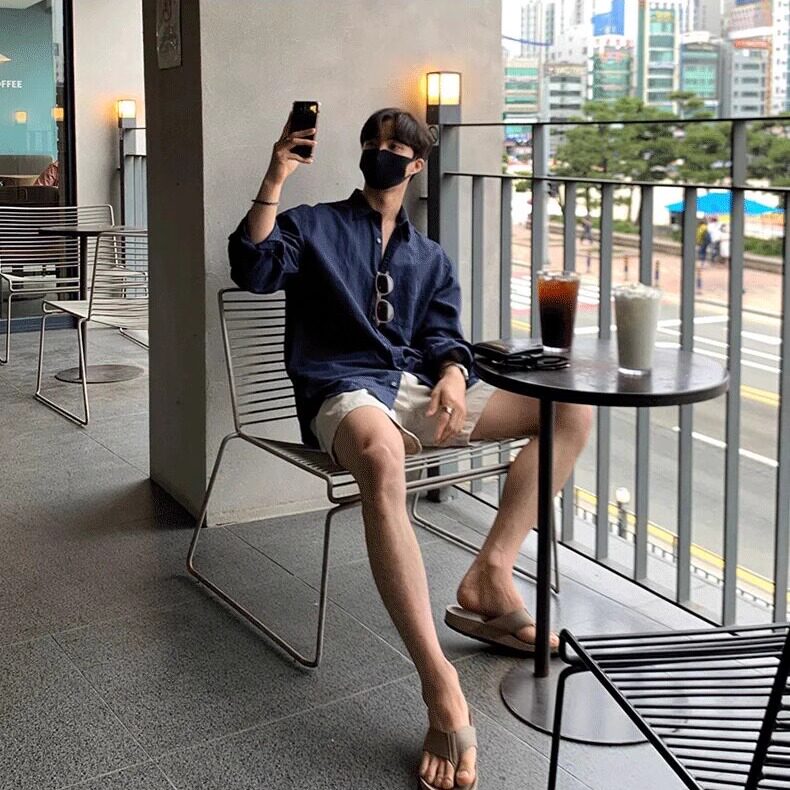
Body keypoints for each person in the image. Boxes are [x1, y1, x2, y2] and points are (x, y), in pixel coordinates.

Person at [228, 107, 592, 790]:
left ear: (417, 165)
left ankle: (490, 573)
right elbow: (254, 268)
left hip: (415, 390)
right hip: (341, 391)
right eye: (373, 142)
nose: (382, 152)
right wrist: (275, 176)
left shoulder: (431, 257)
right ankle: (438, 681)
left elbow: (444, 338)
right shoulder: (313, 224)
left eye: (396, 146)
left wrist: (453, 374)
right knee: (381, 454)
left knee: (569, 408)